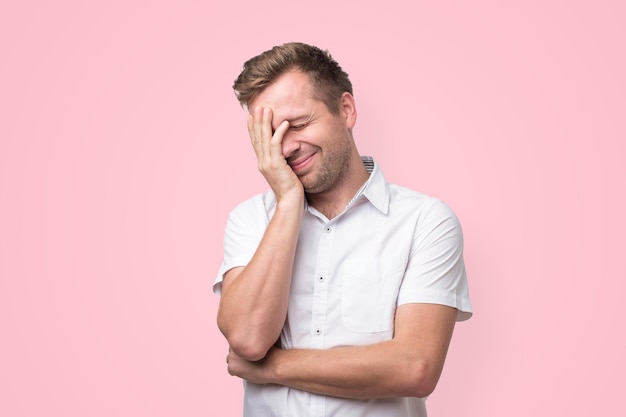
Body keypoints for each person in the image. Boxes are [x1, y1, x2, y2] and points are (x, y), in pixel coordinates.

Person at [213, 42, 472, 417]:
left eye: (299, 124)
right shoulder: (250, 220)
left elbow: (414, 368)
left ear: (346, 110)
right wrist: (287, 202)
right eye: (271, 135)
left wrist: (271, 368)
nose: (286, 147)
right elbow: (248, 339)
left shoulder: (425, 221)